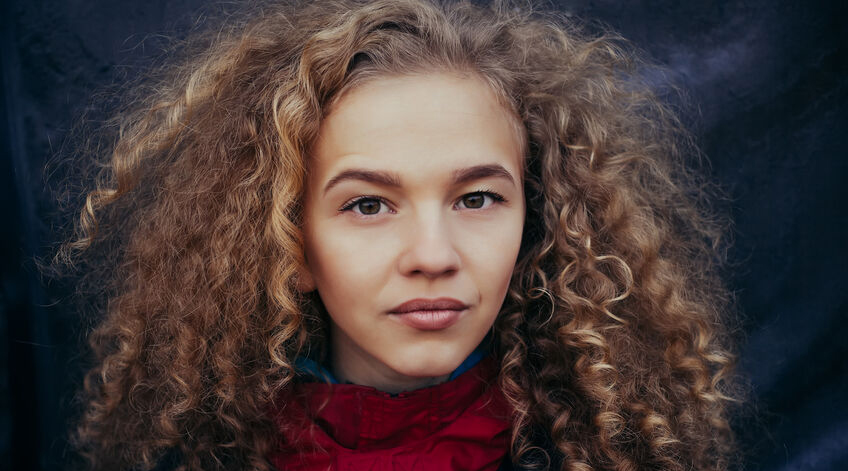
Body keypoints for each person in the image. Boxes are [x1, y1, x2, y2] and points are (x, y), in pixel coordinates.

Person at [62, 0, 739, 470]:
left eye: (477, 197)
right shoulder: (191, 457)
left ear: (534, 222)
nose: (434, 256)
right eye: (368, 206)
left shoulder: (609, 453)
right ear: (291, 245)